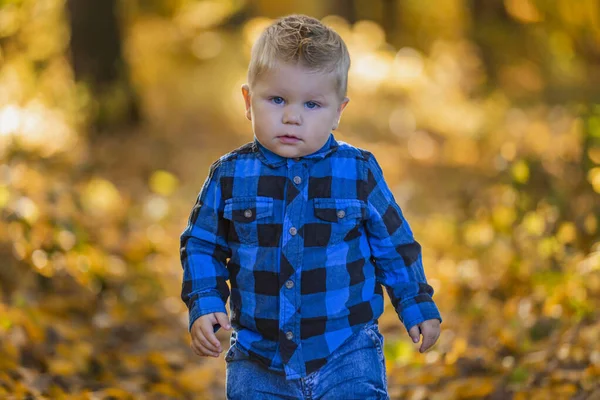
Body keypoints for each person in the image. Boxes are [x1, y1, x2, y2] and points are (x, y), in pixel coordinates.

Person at [180, 14, 442, 399]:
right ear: (249, 102)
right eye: (277, 99)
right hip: (258, 358)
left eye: (313, 104)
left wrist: (416, 304)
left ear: (339, 111)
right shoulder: (230, 175)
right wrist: (204, 302)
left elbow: (394, 246)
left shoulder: (358, 172)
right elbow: (202, 245)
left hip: (347, 350)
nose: (292, 116)